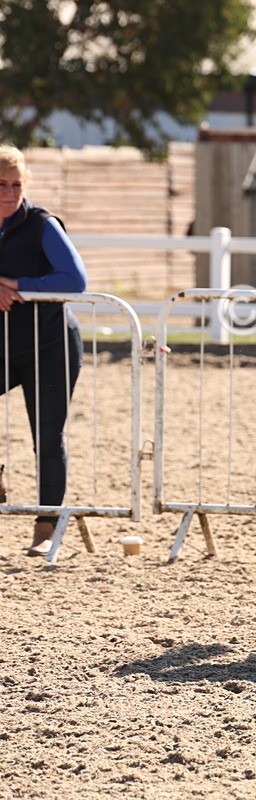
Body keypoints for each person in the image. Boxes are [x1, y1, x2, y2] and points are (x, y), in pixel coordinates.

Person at [0, 145, 88, 556]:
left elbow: (75, 280)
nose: (9, 192)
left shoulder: (42, 225)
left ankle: (46, 527)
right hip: (3, 344)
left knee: (48, 437)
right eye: (1, 184)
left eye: (16, 185)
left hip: (50, 344)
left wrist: (17, 285)